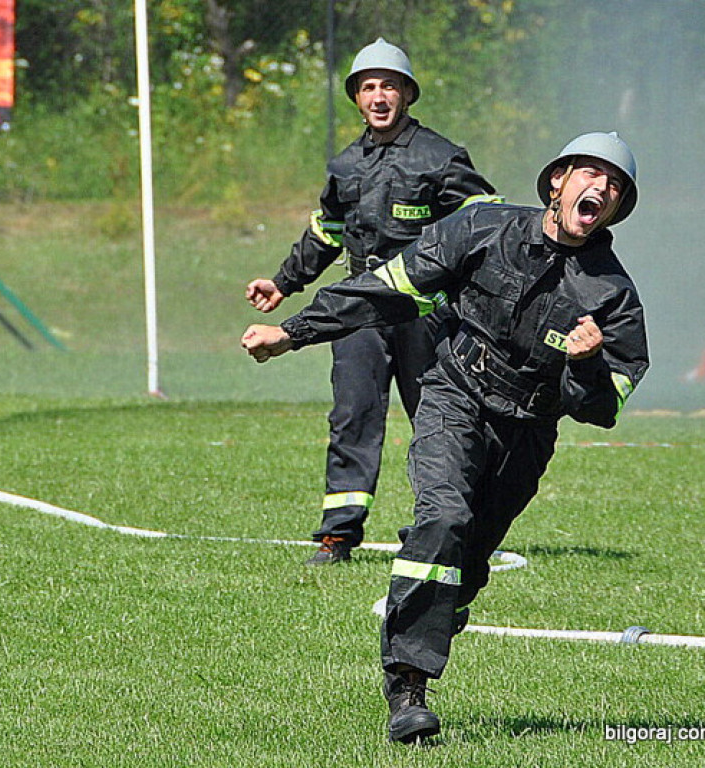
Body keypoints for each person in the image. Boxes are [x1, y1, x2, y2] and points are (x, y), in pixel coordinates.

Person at [241, 132, 648, 742]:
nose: (601, 188)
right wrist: (292, 333)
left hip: (528, 433)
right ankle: (408, 686)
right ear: (558, 181)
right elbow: (383, 289)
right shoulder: (482, 229)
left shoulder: (614, 296)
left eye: (614, 185)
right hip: (454, 397)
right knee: (443, 517)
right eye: (590, 173)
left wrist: (587, 364)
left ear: (616, 208)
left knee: (467, 563)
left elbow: (600, 409)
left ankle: (433, 608)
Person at [245, 38, 496, 564]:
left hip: (425, 313)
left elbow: (483, 225)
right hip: (358, 313)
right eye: (368, 87)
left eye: (389, 86)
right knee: (352, 417)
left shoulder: (442, 158)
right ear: (357, 98)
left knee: (438, 421)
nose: (378, 97)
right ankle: (338, 535)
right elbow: (327, 232)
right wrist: (284, 282)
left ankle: (448, 526)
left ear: (407, 94)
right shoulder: (346, 165)